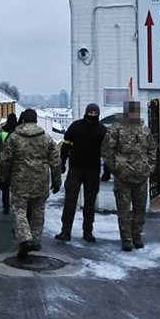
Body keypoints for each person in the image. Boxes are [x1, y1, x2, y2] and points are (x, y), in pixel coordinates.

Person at [0, 109, 62, 260]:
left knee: (20, 210)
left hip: (20, 180)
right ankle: (35, 240)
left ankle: (24, 238)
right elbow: (55, 161)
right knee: (38, 210)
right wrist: (56, 181)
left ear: (22, 120)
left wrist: (2, 178)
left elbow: (5, 160)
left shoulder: (14, 138)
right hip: (41, 180)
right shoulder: (46, 138)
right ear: (36, 121)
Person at [101, 101, 157, 252]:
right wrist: (116, 168)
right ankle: (126, 239)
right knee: (124, 210)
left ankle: (137, 236)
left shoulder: (145, 130)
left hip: (141, 176)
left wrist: (149, 168)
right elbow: (107, 151)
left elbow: (152, 150)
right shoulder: (117, 129)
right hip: (123, 177)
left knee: (140, 209)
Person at [57, 103, 107, 243]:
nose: (92, 115)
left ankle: (88, 232)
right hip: (76, 168)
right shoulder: (76, 126)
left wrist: (107, 170)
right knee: (70, 201)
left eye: (94, 113)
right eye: (90, 113)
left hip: (92, 170)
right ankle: (65, 231)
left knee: (90, 203)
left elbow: (106, 152)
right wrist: (62, 162)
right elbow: (66, 145)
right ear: (86, 112)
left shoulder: (102, 130)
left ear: (97, 114)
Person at [0, 113, 18, 214]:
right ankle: (15, 204)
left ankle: (5, 205)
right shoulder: (18, 131)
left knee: (5, 185)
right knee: (15, 187)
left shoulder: (2, 130)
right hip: (16, 163)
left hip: (5, 160)